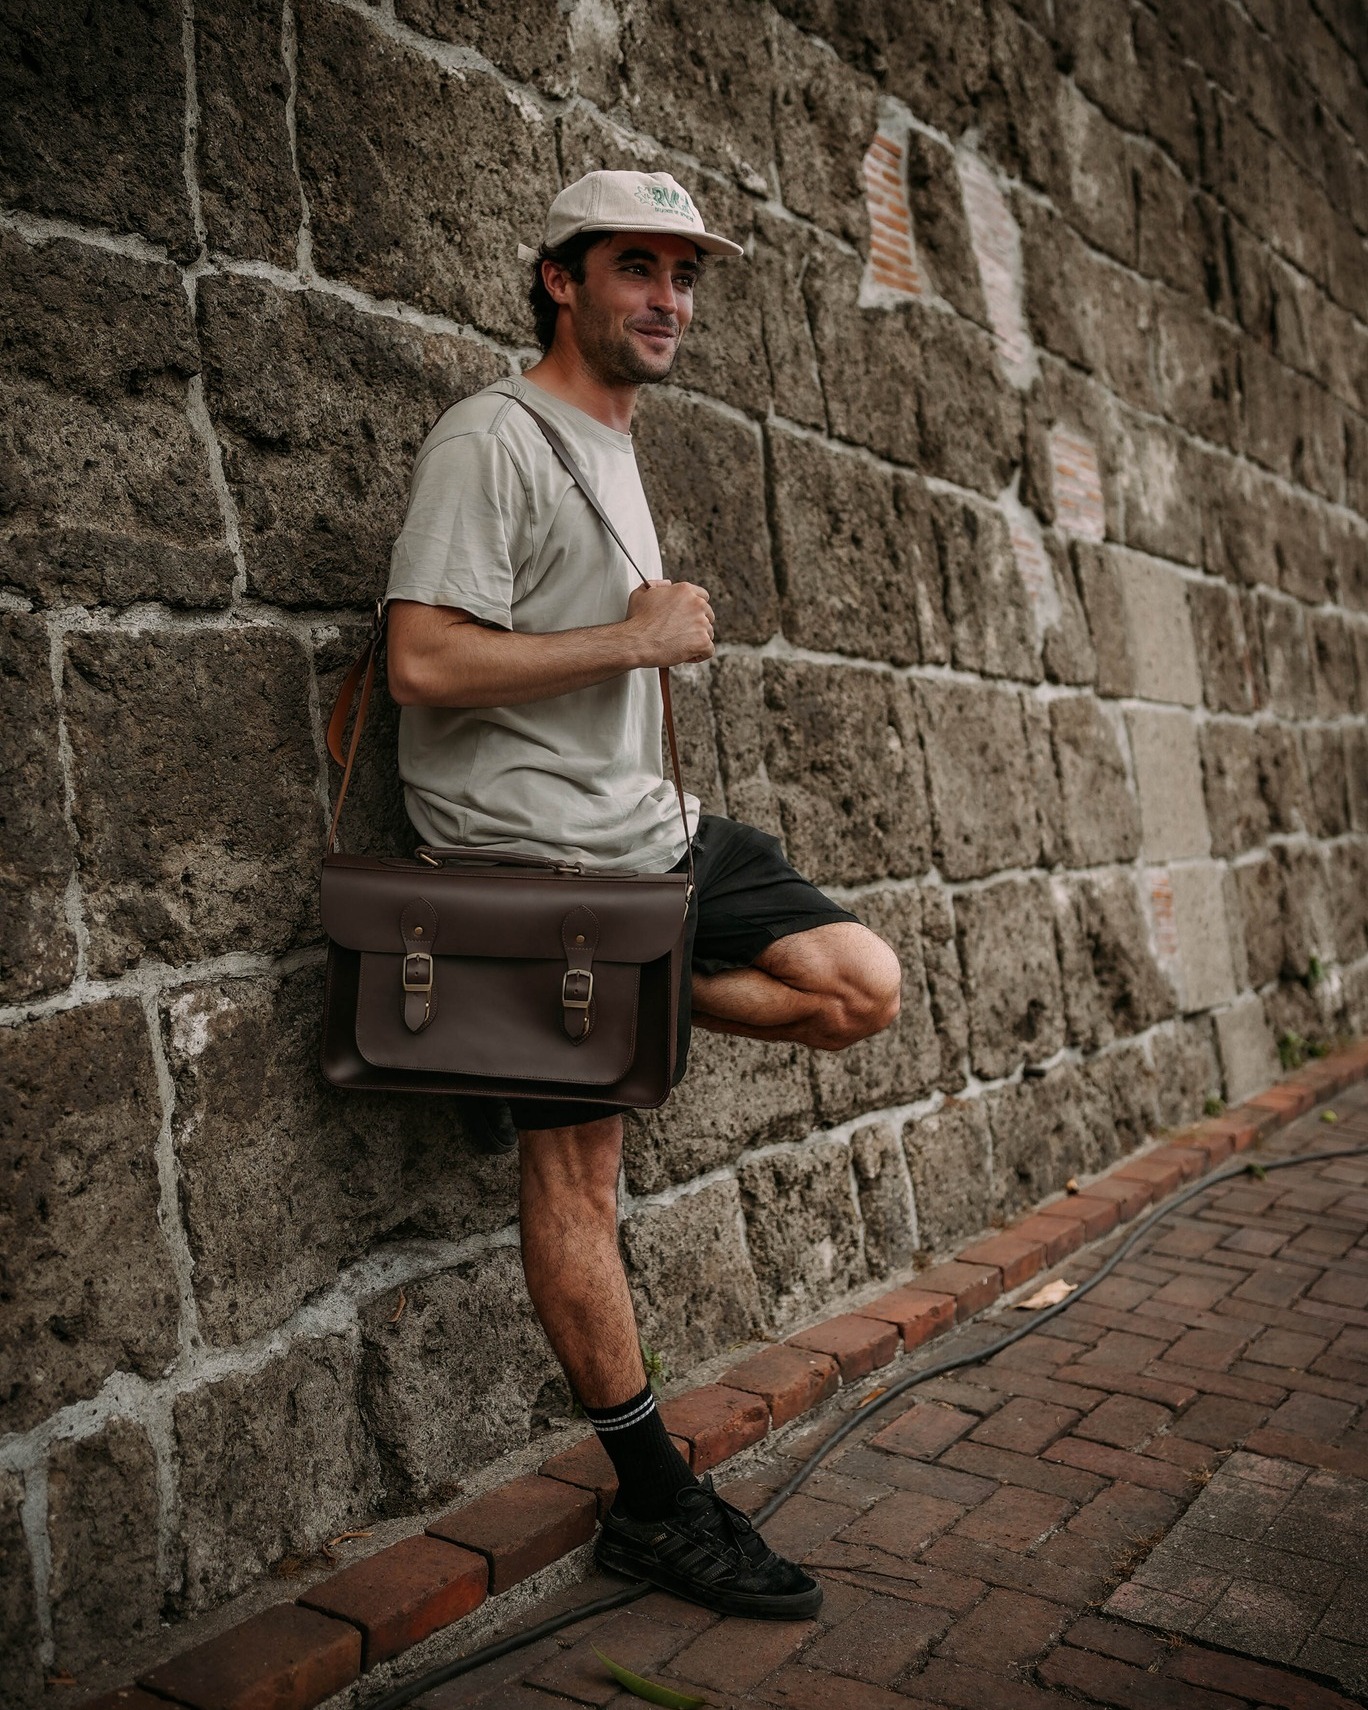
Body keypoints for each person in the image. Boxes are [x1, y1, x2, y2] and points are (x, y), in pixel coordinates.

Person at [385, 169, 902, 1620]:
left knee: (858, 983)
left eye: (687, 273)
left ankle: (626, 989)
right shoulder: (491, 438)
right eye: (639, 267)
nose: (670, 296)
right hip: (537, 864)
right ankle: (657, 1504)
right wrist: (628, 643)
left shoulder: (616, 440)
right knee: (579, 1184)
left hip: (648, 833)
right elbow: (421, 661)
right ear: (563, 277)